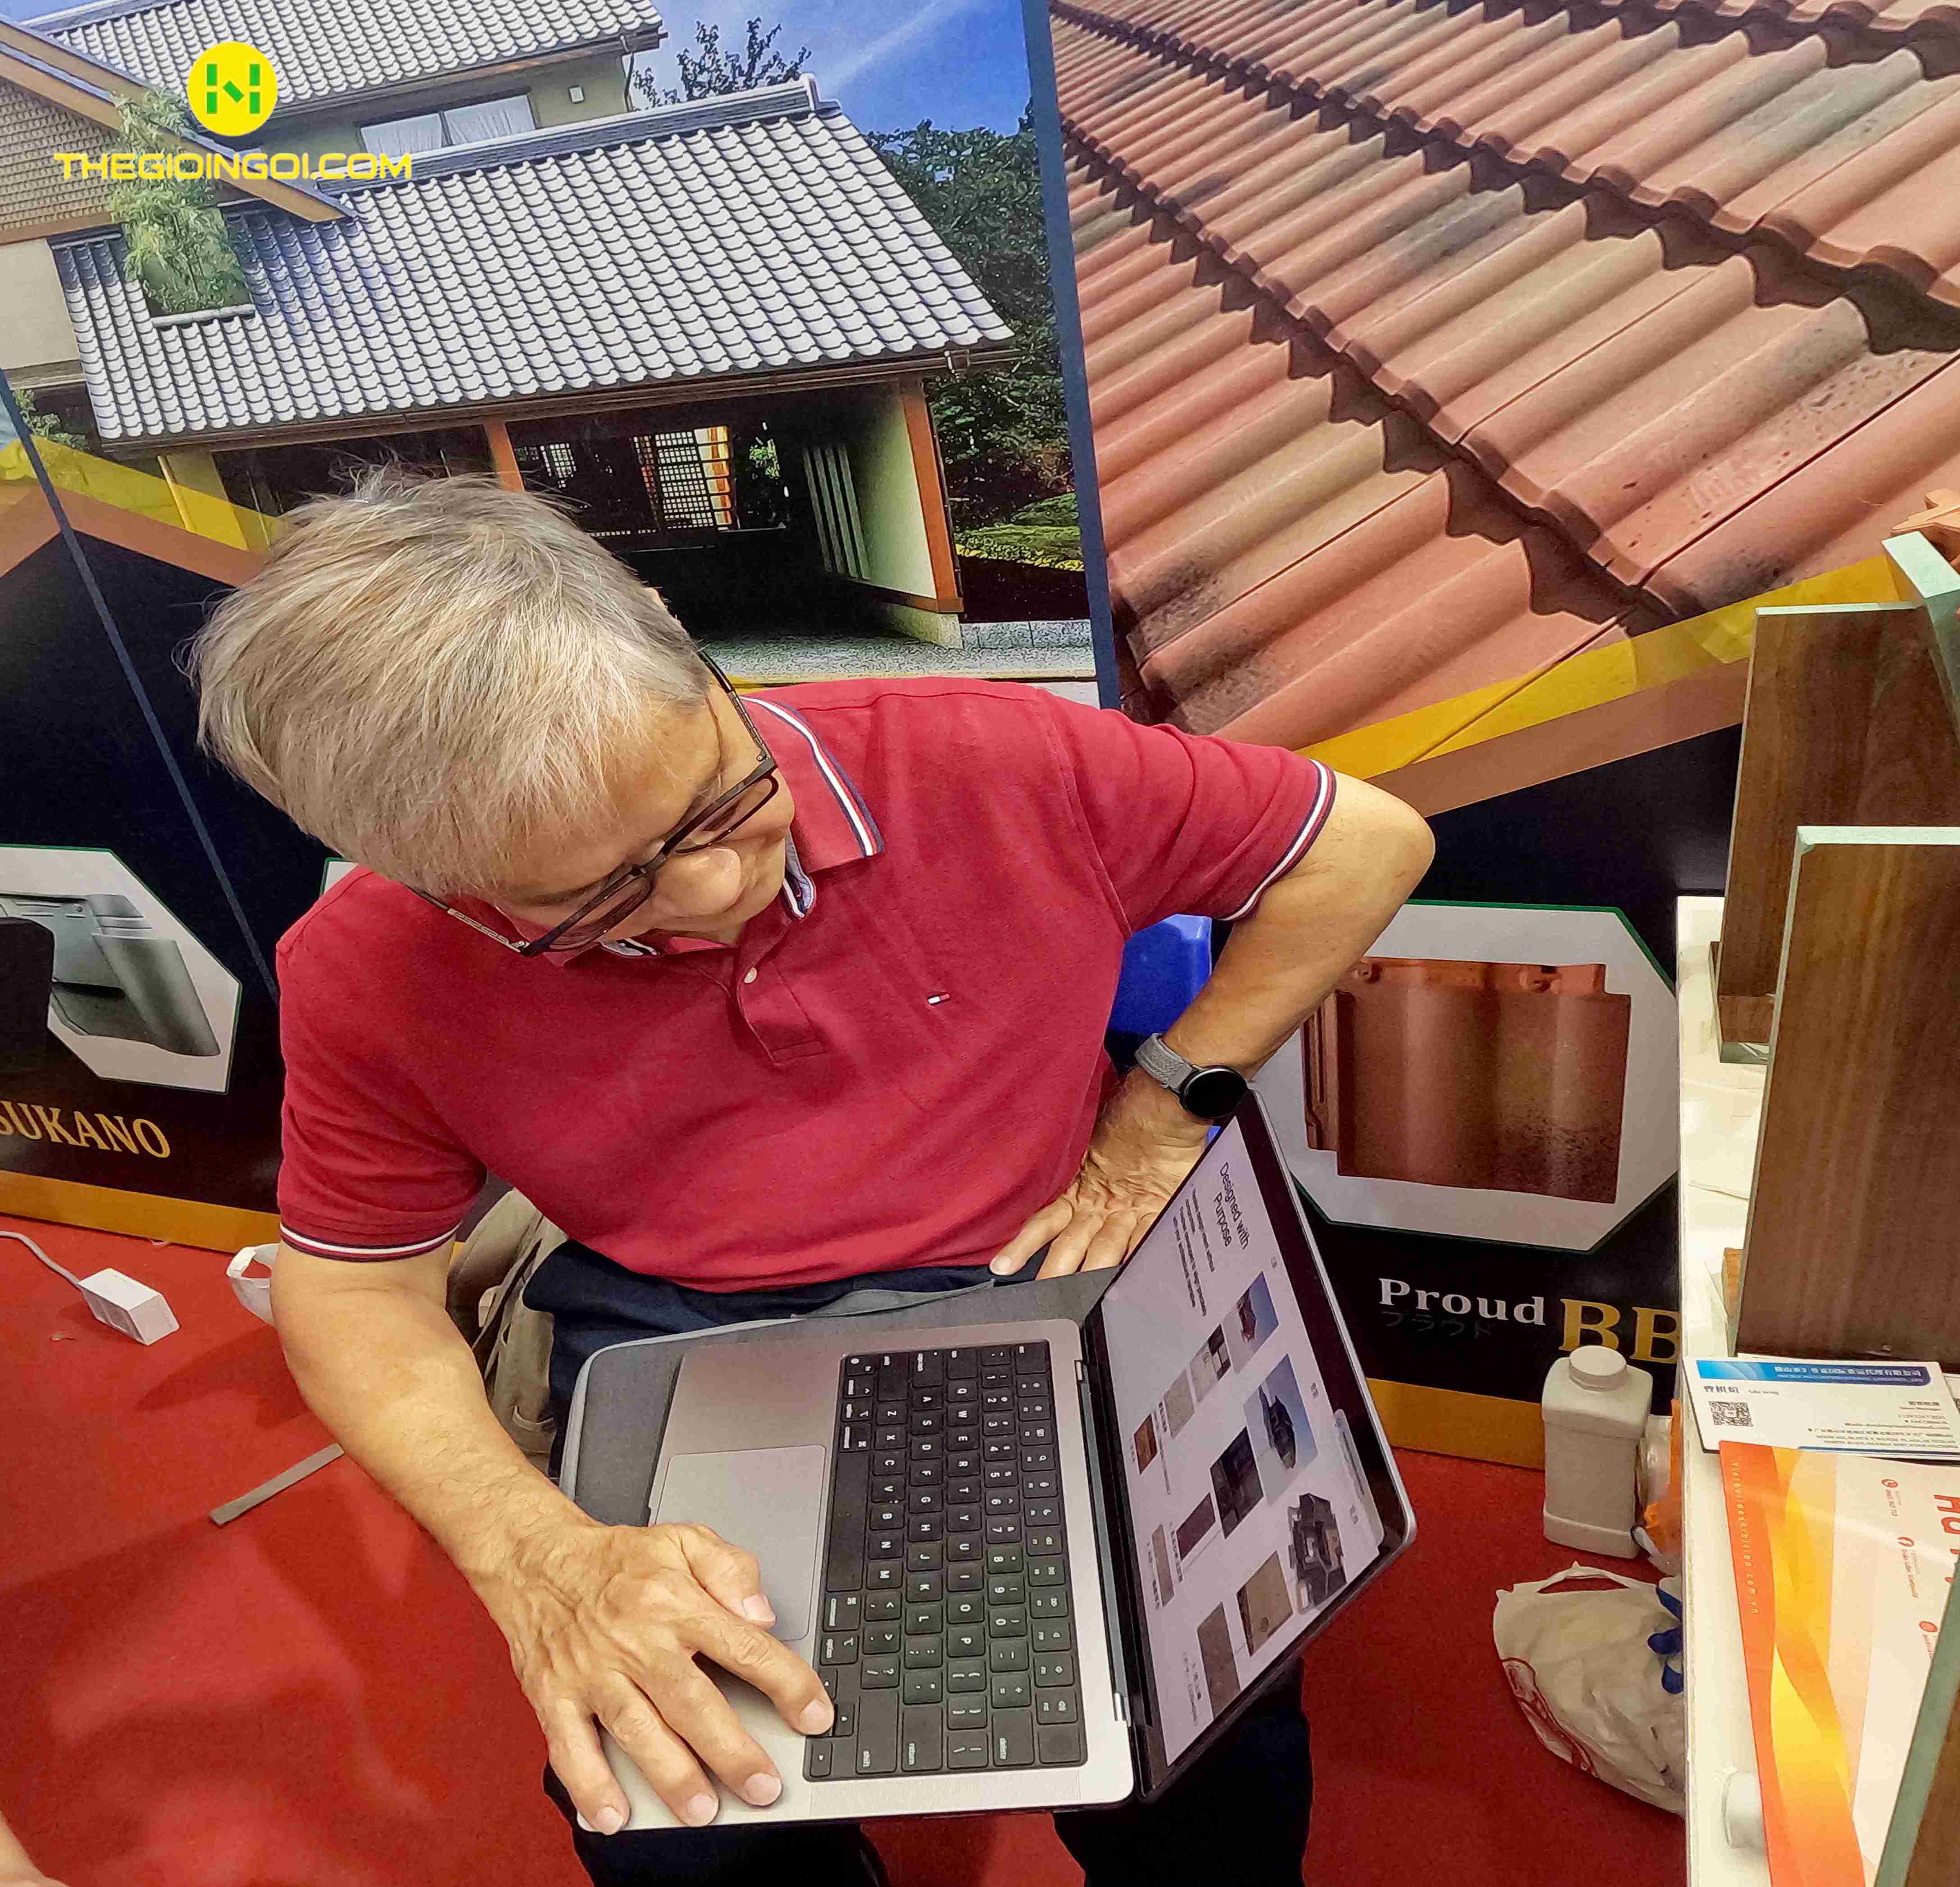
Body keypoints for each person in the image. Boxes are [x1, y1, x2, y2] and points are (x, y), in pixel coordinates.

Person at [189, 470, 1433, 1884]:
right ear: (422, 873)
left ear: (671, 634)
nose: (711, 899)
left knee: (1196, 1728)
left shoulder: (984, 755)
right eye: (592, 902)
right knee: (683, 1819)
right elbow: (357, 1294)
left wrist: (1159, 1111)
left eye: (718, 807)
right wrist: (531, 1554)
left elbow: (1365, 845)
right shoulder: (369, 968)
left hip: (1050, 1266)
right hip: (686, 1325)